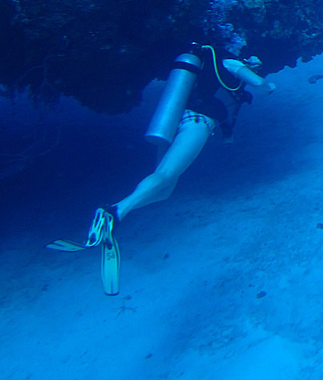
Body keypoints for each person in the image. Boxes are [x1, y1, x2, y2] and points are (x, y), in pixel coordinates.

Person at [48, 43, 274, 295]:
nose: (257, 62)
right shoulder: (230, 62)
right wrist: (268, 86)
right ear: (243, 54)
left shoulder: (223, 78)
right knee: (165, 175)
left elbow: (227, 126)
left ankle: (117, 213)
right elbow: (258, 82)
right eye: (255, 58)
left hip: (177, 119)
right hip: (197, 122)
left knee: (165, 190)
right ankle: (114, 212)